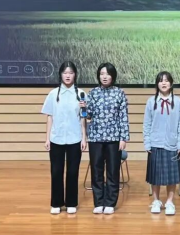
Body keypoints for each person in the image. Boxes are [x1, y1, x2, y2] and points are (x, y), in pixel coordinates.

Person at [41, 61, 87, 215]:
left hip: (75, 138)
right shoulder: (53, 94)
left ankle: (71, 203)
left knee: (73, 172)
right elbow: (49, 117)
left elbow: (83, 118)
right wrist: (47, 138)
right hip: (57, 138)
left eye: (71, 73)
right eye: (65, 73)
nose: (68, 76)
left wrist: (84, 138)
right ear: (60, 74)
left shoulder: (81, 94)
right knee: (56, 171)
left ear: (75, 75)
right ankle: (56, 203)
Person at [87, 62, 130, 214]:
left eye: (107, 74)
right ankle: (98, 202)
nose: (104, 77)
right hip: (95, 137)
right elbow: (88, 115)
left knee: (112, 171)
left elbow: (123, 117)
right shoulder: (93, 93)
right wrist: (83, 108)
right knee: (96, 170)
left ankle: (110, 202)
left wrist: (123, 138)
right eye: (102, 74)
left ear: (113, 76)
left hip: (114, 138)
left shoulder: (119, 93)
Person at [143, 71, 180, 215]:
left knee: (172, 177)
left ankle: (169, 202)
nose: (164, 83)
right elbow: (147, 124)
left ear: (171, 83)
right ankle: (156, 201)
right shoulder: (151, 102)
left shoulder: (178, 102)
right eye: (161, 80)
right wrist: (147, 142)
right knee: (155, 175)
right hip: (155, 143)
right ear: (157, 84)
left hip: (172, 144)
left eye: (166, 80)